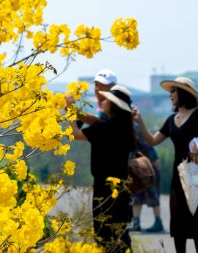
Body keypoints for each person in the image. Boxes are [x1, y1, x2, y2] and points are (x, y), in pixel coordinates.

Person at [77, 69, 165, 233]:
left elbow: (95, 125)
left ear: (113, 87)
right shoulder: (106, 109)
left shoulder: (120, 110)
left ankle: (157, 221)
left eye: (103, 86)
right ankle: (137, 221)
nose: (98, 90)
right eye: (96, 86)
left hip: (143, 159)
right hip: (126, 163)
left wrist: (72, 111)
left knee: (150, 193)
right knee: (133, 199)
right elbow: (95, 122)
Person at [133, 76, 198, 253]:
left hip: (197, 177)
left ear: (183, 93)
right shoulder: (171, 120)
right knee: (178, 224)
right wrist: (139, 121)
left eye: (173, 91)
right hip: (179, 177)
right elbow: (153, 141)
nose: (170, 95)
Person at [69, 85, 136, 252]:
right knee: (119, 232)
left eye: (106, 99)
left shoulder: (105, 127)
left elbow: (76, 134)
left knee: (103, 234)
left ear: (114, 105)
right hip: (121, 189)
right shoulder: (124, 127)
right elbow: (94, 120)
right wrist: (76, 110)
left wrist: (71, 111)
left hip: (104, 189)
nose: (102, 101)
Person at [129, 126, 164, 233]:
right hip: (136, 166)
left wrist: (153, 166)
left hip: (150, 166)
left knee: (153, 194)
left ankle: (158, 222)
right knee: (136, 194)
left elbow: (148, 148)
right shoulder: (125, 127)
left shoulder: (135, 129)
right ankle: (136, 223)